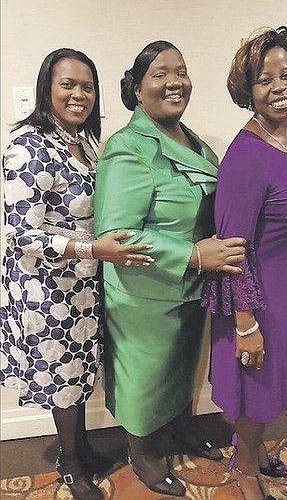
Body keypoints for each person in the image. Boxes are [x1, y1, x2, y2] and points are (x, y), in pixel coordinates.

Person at [93, 41, 246, 497]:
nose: (174, 81)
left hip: (189, 286)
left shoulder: (189, 138)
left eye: (180, 71)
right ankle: (143, 453)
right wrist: (195, 255)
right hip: (144, 290)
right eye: (160, 74)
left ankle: (181, 431)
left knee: (181, 369)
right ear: (137, 90)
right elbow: (117, 234)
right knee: (147, 379)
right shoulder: (128, 146)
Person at [0, 48, 154, 500]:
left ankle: (80, 447)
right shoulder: (28, 145)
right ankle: (71, 464)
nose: (79, 94)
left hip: (81, 284)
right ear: (47, 87)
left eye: (87, 86)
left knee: (78, 373)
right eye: (68, 84)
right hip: (44, 289)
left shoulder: (81, 143)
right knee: (63, 378)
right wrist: (93, 247)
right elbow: (22, 233)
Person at [202, 26, 287, 500]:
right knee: (256, 394)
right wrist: (246, 322)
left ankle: (246, 448)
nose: (279, 87)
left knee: (270, 394)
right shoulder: (247, 156)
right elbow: (232, 250)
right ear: (247, 90)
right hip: (256, 304)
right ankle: (245, 466)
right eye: (264, 79)